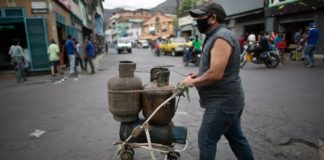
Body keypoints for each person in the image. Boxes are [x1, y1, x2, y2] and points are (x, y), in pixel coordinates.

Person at [181, 2, 254, 160]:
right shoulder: (214, 36)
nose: (197, 20)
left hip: (223, 103)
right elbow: (213, 68)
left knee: (206, 140)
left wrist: (191, 82)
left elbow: (215, 74)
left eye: (200, 17)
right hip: (229, 101)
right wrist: (198, 76)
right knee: (236, 139)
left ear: (212, 18)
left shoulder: (221, 36)